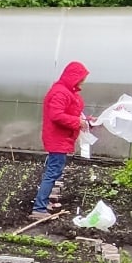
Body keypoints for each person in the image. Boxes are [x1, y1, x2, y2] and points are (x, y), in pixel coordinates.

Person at [32, 61, 90, 220]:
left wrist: (88, 120)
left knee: (54, 171)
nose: (82, 82)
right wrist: (78, 122)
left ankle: (44, 203)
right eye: (81, 78)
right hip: (57, 138)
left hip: (61, 138)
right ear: (73, 77)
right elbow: (56, 115)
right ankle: (39, 208)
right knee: (52, 172)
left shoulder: (66, 91)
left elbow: (72, 113)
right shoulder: (60, 92)